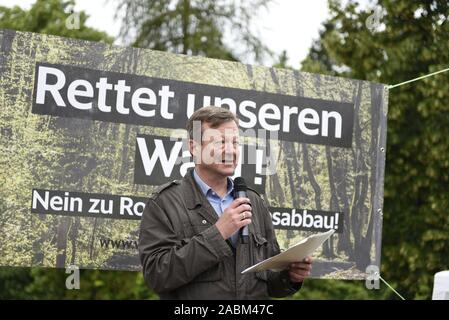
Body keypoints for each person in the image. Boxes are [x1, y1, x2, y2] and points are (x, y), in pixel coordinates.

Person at [138, 106, 312, 299]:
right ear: (194, 146)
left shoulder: (253, 201)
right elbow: (157, 276)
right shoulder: (164, 203)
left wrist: (290, 276)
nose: (230, 150)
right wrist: (218, 233)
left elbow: (269, 281)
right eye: (221, 142)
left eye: (235, 142)